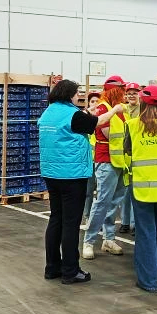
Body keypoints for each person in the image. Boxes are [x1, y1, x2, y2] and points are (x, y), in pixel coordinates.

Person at [39, 80, 124, 285]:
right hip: (71, 175)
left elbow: (75, 121)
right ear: (69, 94)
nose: (79, 96)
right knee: (71, 223)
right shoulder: (73, 115)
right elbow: (97, 122)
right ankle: (70, 270)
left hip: (51, 174)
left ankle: (52, 267)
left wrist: (88, 111)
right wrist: (115, 110)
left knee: (56, 219)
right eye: (78, 93)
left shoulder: (49, 112)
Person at [123, 85, 157, 293]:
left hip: (143, 188)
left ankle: (149, 281)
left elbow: (127, 150)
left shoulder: (132, 125)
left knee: (146, 233)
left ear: (142, 103)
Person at [82, 75, 128, 260]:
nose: (124, 94)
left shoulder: (119, 109)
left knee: (113, 202)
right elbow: (109, 133)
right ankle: (89, 241)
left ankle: (108, 239)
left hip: (119, 161)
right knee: (102, 202)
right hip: (107, 160)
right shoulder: (104, 108)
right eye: (122, 90)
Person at [119, 82, 140, 235]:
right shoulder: (122, 109)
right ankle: (125, 222)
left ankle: (134, 224)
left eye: (134, 93)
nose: (131, 95)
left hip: (137, 154)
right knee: (125, 191)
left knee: (136, 191)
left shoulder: (143, 109)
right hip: (123, 155)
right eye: (129, 93)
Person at [82, 91, 100, 221]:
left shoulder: (104, 119)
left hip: (101, 161)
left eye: (97, 101)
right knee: (88, 191)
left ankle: (97, 218)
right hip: (89, 161)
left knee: (101, 192)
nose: (95, 104)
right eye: (92, 101)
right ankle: (87, 216)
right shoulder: (84, 119)